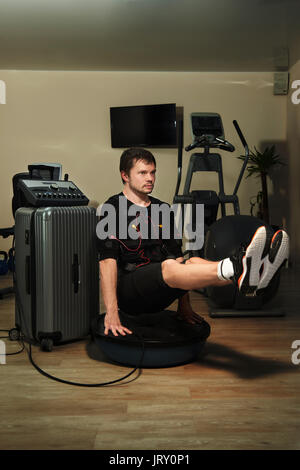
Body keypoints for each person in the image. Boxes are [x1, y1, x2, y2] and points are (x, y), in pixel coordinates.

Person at [97, 148, 289, 336]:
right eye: (142, 173)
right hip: (130, 294)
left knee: (191, 262)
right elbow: (107, 263)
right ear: (125, 175)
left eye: (153, 172)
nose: (150, 178)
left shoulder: (162, 209)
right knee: (170, 265)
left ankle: (244, 273)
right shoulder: (112, 209)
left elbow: (177, 256)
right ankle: (239, 265)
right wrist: (112, 312)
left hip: (162, 287)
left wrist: (184, 306)